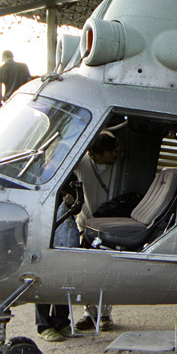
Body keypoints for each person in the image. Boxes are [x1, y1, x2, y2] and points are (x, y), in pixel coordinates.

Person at [73, 132, 119, 331]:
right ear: (96, 154)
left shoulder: (120, 166)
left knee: (106, 271)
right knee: (86, 271)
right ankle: (88, 313)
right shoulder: (82, 163)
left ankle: (105, 314)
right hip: (86, 224)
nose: (114, 154)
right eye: (109, 152)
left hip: (110, 225)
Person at [36, 178, 81, 342]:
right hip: (44, 233)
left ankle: (62, 322)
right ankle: (43, 325)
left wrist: (69, 203)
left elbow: (78, 207)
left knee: (65, 281)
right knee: (44, 282)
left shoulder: (70, 176)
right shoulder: (42, 176)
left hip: (64, 234)